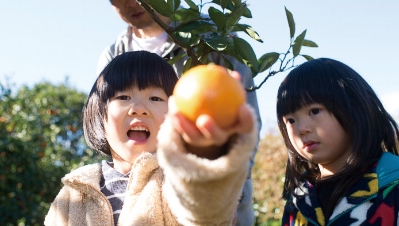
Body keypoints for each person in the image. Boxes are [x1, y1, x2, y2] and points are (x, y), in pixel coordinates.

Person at [45, 51, 259, 225]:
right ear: (100, 115)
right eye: (123, 97)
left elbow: (207, 212)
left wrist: (206, 152)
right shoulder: (73, 194)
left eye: (155, 98)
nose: (139, 109)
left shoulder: (175, 179)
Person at [98, 1, 262, 225]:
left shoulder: (213, 35)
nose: (132, 3)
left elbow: (245, 130)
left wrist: (223, 192)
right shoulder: (113, 55)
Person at [277, 58, 399, 225]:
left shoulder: (392, 183)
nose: (302, 129)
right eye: (290, 120)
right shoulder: (298, 199)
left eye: (314, 111)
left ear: (353, 107)